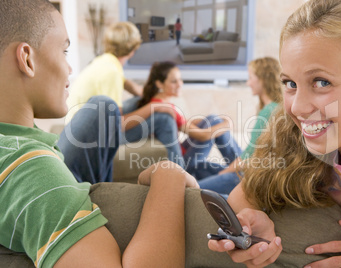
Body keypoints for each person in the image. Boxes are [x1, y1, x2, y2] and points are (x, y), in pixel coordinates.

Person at [0, 1, 199, 267]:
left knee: (113, 107)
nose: (71, 69)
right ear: (27, 59)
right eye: (64, 50)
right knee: (122, 109)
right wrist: (168, 177)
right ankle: (187, 169)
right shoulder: (33, 172)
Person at [208, 0, 341, 266]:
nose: (297, 107)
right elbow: (242, 196)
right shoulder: (299, 140)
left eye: (322, 82)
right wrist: (254, 220)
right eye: (290, 83)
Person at [65, 21, 181, 172]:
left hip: (79, 126)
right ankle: (180, 173)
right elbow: (118, 124)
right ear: (133, 48)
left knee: (138, 101)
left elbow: (127, 83)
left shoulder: (104, 62)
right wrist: (154, 106)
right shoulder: (111, 73)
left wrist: (146, 94)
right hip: (90, 138)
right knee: (163, 119)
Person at [132, 61, 242, 174]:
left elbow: (184, 122)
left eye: (180, 79)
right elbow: (202, 136)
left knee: (213, 119)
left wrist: (214, 121)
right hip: (183, 162)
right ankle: (241, 164)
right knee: (214, 123)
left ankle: (237, 167)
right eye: (174, 81)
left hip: (182, 154)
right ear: (159, 84)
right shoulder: (165, 108)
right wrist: (227, 124)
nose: (180, 84)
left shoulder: (157, 103)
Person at [198, 57, 282, 195]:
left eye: (250, 78)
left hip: (250, 175)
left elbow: (249, 159)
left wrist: (222, 174)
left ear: (263, 79)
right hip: (253, 166)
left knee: (190, 190)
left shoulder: (268, 111)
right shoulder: (274, 107)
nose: (248, 83)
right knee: (202, 167)